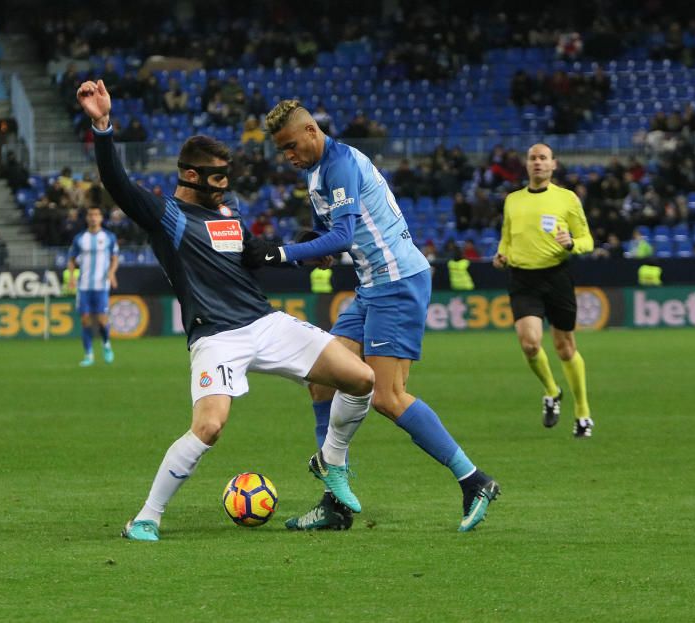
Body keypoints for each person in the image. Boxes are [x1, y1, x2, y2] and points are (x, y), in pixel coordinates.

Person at [76, 80, 375, 542]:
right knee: (210, 426)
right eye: (217, 177)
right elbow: (116, 182)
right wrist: (102, 126)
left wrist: (302, 251)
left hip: (265, 322)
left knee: (360, 379)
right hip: (216, 335)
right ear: (191, 176)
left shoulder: (228, 214)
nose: (225, 185)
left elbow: (255, 254)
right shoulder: (166, 217)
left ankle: (331, 463)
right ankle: (147, 518)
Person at [250, 99, 500, 532]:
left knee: (388, 395)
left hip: (398, 282)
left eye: (291, 145)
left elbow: (344, 234)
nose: (288, 156)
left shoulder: (341, 165)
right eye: (281, 150)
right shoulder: (314, 174)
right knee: (322, 379)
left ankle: (474, 481)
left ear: (311, 131)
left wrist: (282, 253)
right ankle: (335, 503)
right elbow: (334, 238)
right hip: (371, 286)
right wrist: (318, 253)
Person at [492, 143, 595, 438]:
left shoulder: (567, 199)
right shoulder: (513, 200)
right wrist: (501, 255)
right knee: (530, 344)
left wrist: (572, 243)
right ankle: (552, 390)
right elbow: (507, 238)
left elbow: (587, 239)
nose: (537, 163)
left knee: (565, 348)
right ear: (527, 165)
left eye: (543, 158)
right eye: (533, 158)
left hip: (557, 276)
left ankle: (582, 412)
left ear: (553, 165)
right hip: (523, 279)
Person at [67, 206, 120, 366]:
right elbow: (71, 258)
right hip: (83, 286)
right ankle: (89, 355)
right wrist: (71, 277)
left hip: (101, 285)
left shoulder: (109, 237)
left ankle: (106, 345)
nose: (93, 217)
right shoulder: (80, 238)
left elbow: (115, 258)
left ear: (101, 218)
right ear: (87, 218)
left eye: (96, 214)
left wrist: (111, 273)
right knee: (85, 320)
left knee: (102, 321)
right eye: (91, 214)